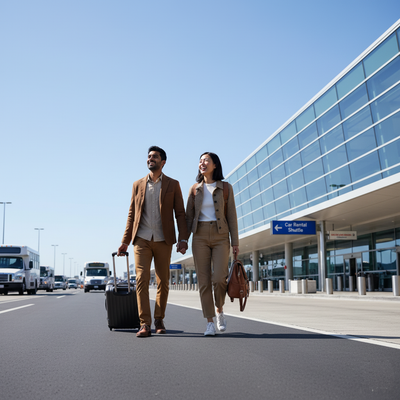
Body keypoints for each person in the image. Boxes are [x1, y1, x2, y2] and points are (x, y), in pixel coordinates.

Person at [118, 146, 189, 337]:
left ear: (163, 162)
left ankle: (159, 319)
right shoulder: (137, 184)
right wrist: (125, 241)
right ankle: (144, 323)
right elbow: (132, 214)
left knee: (163, 281)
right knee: (141, 279)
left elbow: (180, 214)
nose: (150, 159)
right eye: (149, 157)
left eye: (154, 157)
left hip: (163, 239)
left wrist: (183, 238)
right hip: (141, 239)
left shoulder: (173, 184)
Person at [186, 152, 239, 336]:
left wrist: (235, 242)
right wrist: (183, 240)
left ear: (215, 165)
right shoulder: (195, 189)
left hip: (220, 236)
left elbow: (232, 216)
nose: (202, 163)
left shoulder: (226, 188)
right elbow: (188, 217)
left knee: (219, 278)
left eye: (206, 160)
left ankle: (219, 310)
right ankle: (209, 322)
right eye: (200, 161)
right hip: (199, 235)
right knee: (203, 281)